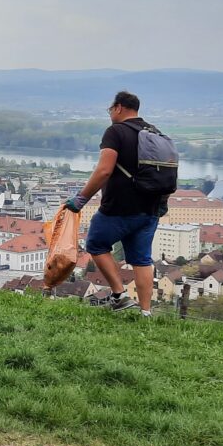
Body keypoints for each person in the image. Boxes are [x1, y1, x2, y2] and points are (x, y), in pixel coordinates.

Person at [65, 91, 162, 316]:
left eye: (110, 108)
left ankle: (119, 295)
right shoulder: (154, 133)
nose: (110, 113)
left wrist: (81, 199)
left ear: (118, 108)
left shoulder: (116, 132)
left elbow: (104, 170)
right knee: (141, 259)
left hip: (120, 206)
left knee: (96, 244)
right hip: (150, 208)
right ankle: (145, 313)